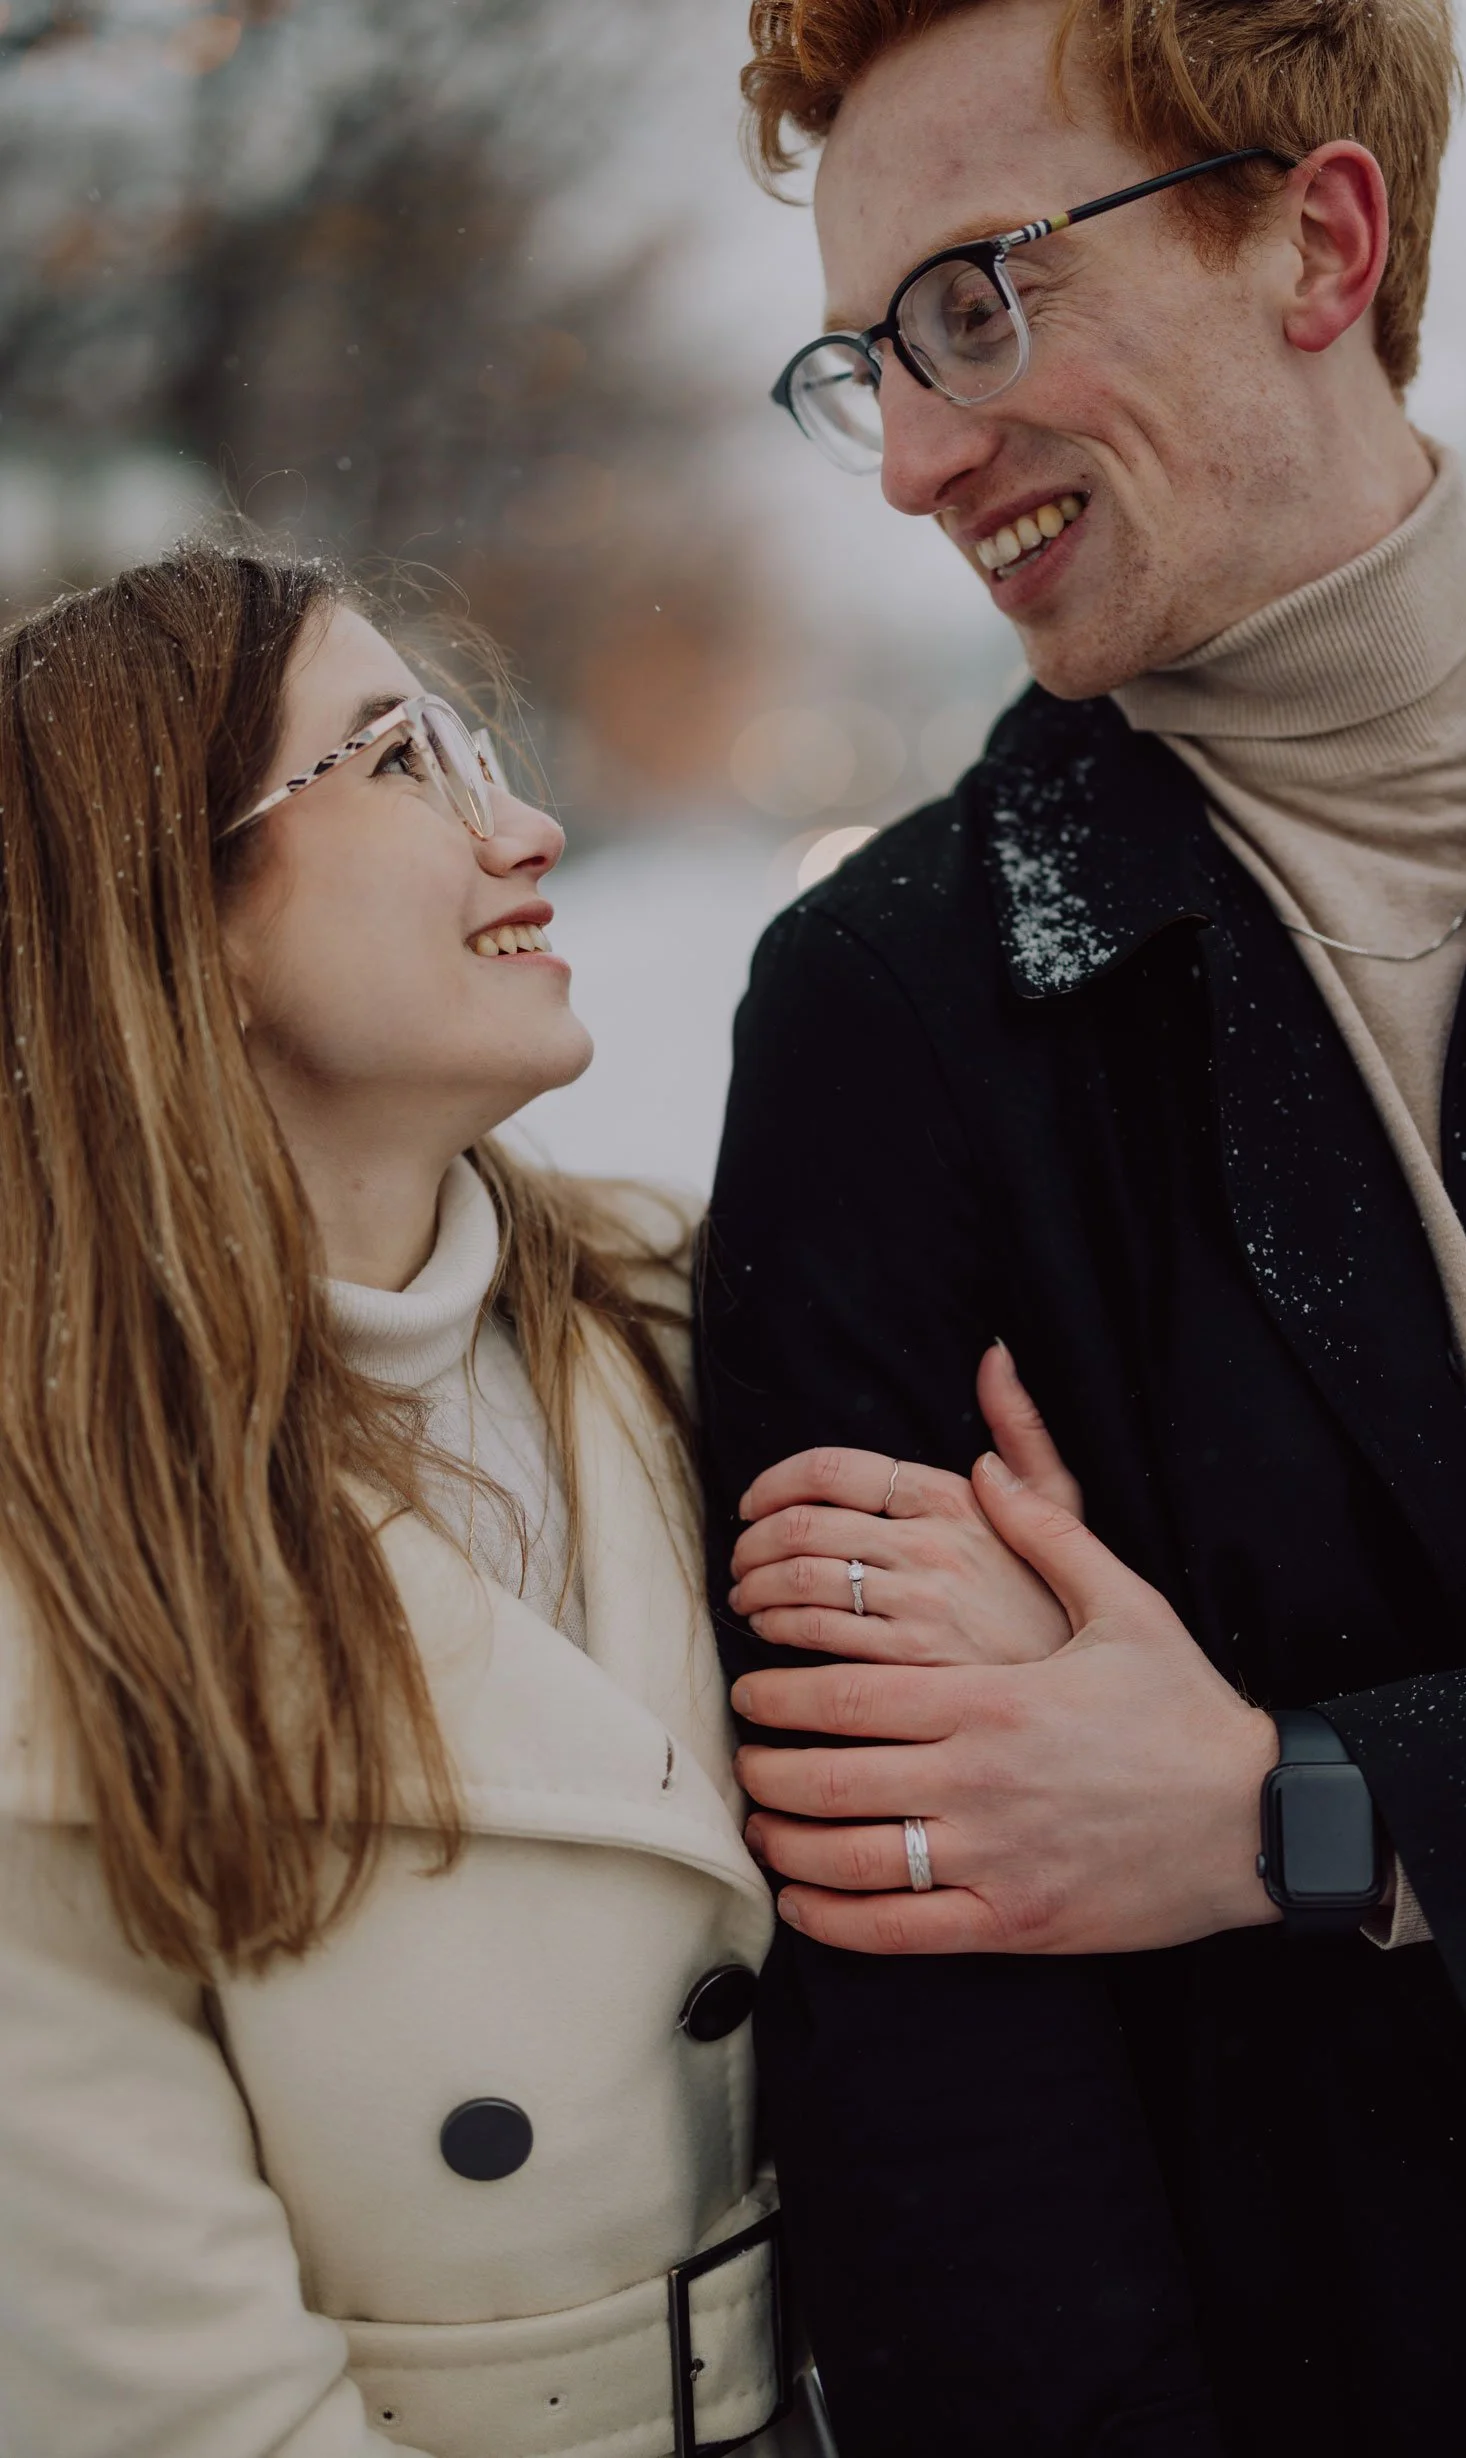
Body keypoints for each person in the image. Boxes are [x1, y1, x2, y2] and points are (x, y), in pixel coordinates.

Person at [700, 3, 1466, 2453]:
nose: (909, 458)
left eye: (977, 307)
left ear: (1315, 241)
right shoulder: (887, 1017)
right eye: (863, 361)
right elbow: (929, 2045)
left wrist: (1285, 1806)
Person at [0, 541, 815, 2458]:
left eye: (478, 749)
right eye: (395, 762)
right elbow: (177, 2407)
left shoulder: (698, 1324)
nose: (524, 825)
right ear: (176, 914)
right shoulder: (50, 1568)